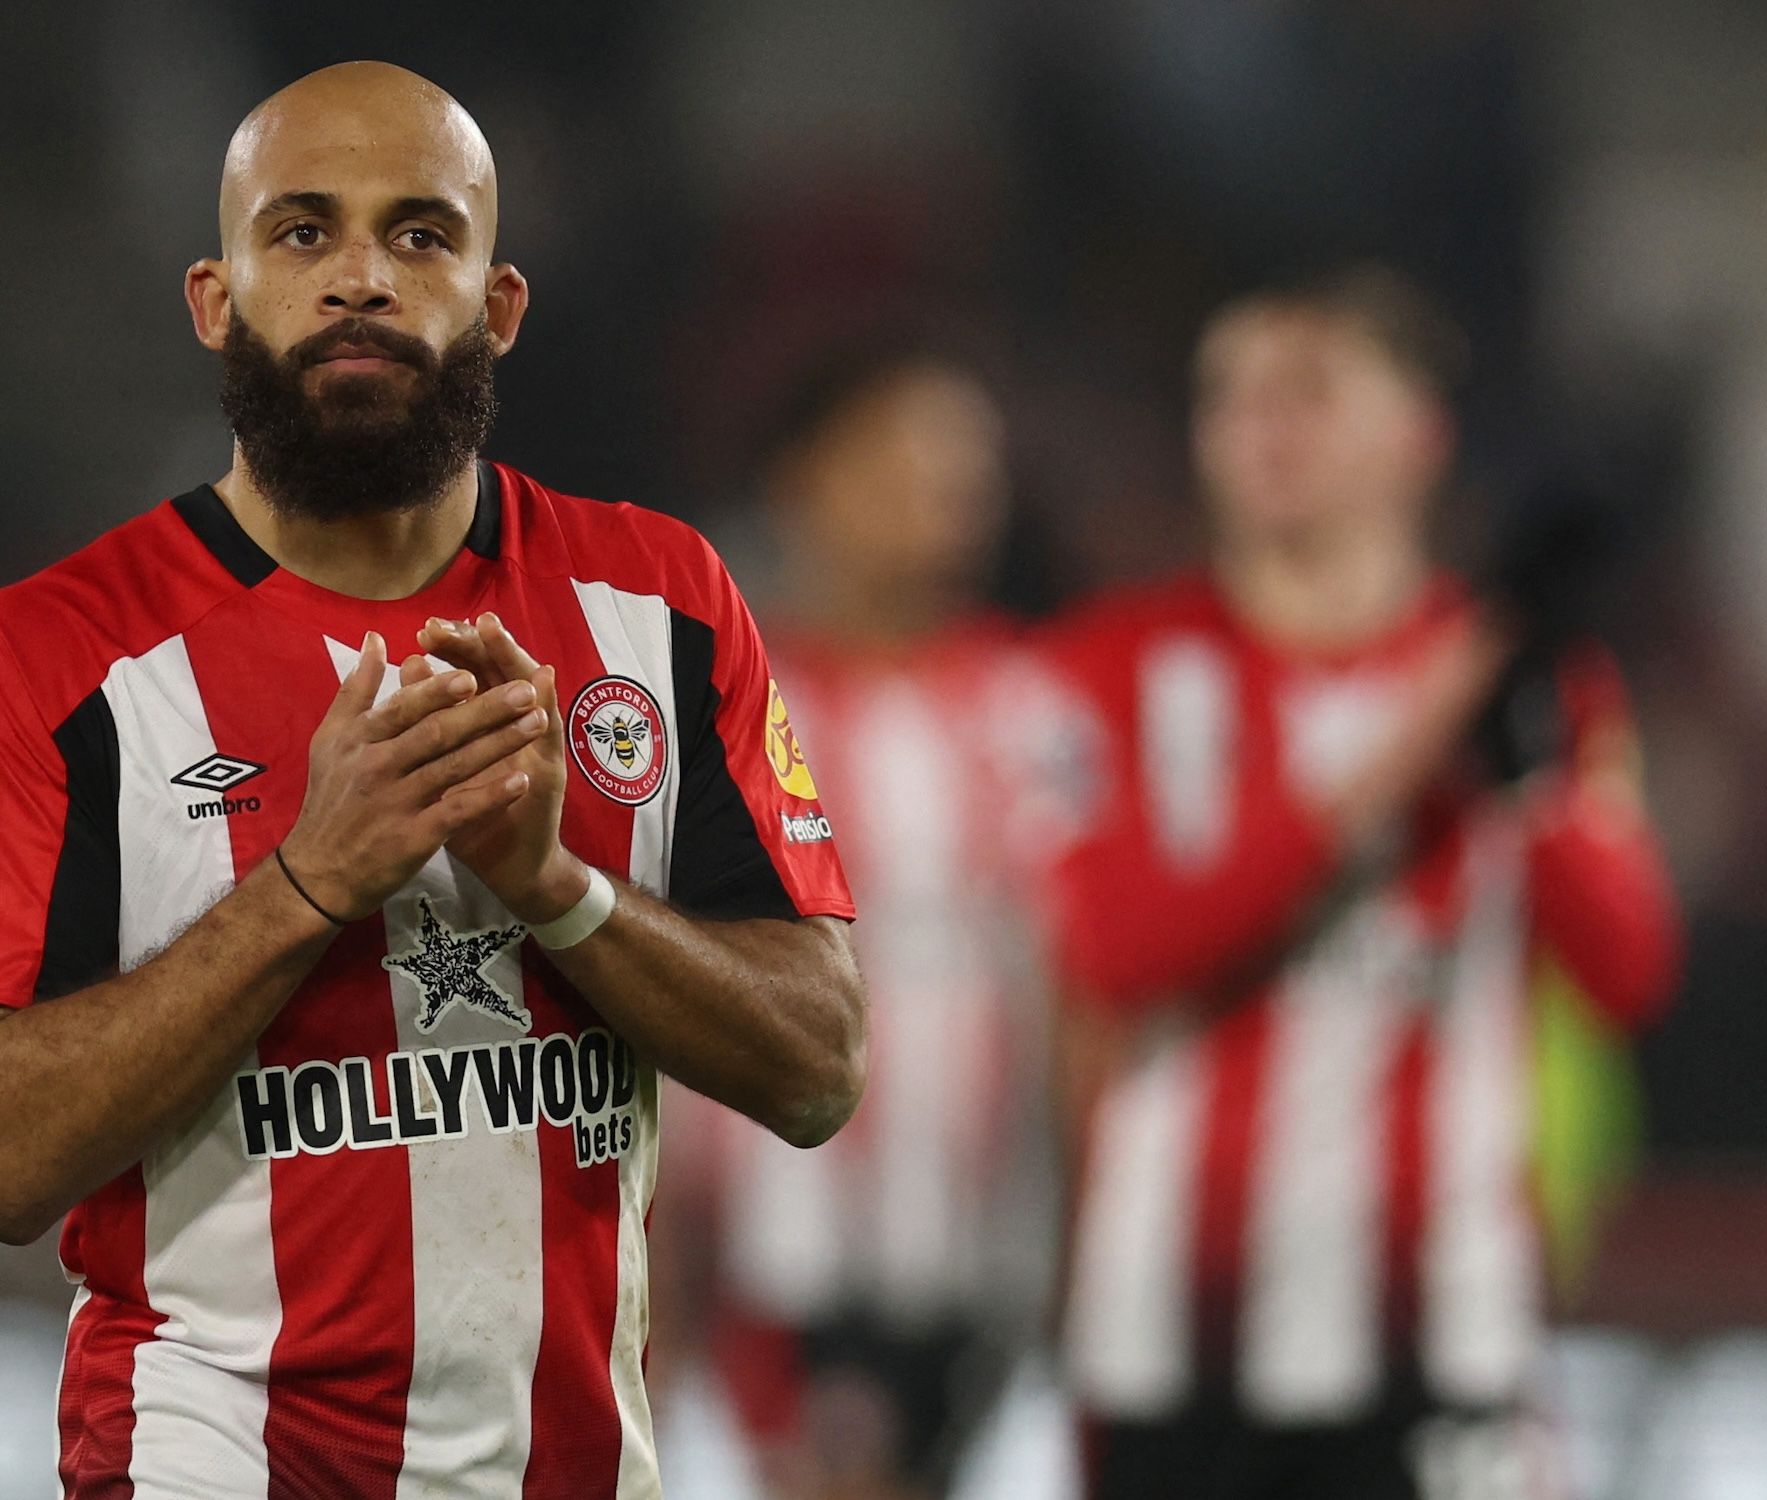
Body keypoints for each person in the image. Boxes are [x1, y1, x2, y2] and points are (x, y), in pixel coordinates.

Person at [0, 63, 868, 1499]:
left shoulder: (663, 601)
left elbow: (821, 1063)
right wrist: (309, 882)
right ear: (216, 300)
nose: (358, 279)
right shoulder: (48, 656)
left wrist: (557, 888)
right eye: (302, 233)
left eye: (418, 235)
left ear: (497, 305)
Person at [1038, 266, 1680, 1499]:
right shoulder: (1112, 666)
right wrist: (1420, 728)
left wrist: (1526, 763)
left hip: (1439, 1337)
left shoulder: (1545, 683)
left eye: (1309, 391)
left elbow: (1628, 971)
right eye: (1227, 397)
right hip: (1176, 1337)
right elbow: (1124, 947)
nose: (1260, 429)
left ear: (1418, 434)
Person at [684, 350, 1064, 1499]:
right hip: (783, 1261)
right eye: (902, 452)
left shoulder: (1044, 711)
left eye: (967, 464)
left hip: (993, 1258)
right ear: (804, 482)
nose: (944, 486)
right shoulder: (720, 717)